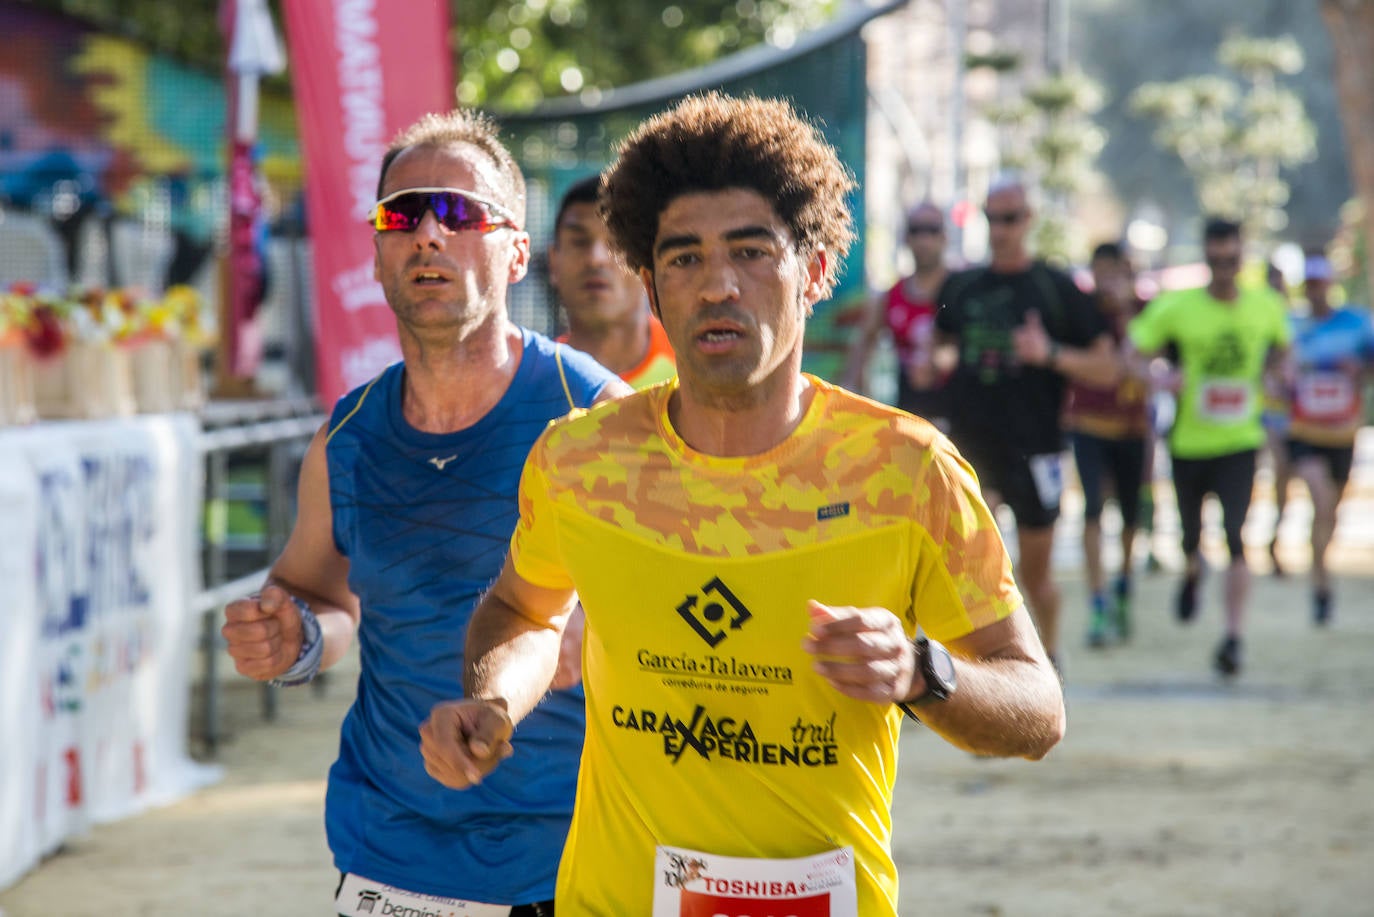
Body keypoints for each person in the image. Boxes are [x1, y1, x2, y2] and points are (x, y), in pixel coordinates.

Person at [418, 92, 1065, 916]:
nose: (718, 284)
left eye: (752, 251)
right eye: (683, 259)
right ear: (651, 286)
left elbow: (1037, 708)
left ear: (817, 271)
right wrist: (494, 701)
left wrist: (919, 669)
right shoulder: (581, 461)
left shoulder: (905, 472)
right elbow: (519, 608)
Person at [219, 109, 628, 916]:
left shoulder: (596, 415)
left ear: (516, 252)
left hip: (570, 854)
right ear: (376, 254)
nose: (428, 235)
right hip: (393, 849)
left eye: (460, 212)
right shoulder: (346, 438)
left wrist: (610, 627)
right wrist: (293, 637)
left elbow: (680, 611)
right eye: (403, 215)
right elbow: (324, 599)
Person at [934, 178, 1119, 668]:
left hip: (1037, 448)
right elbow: (942, 344)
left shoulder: (1055, 288)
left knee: (1035, 577)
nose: (1001, 230)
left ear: (1029, 220)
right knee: (979, 570)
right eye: (992, 219)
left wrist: (1050, 353)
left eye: (1010, 218)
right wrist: (938, 362)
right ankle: (984, 677)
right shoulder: (962, 286)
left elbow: (1108, 367)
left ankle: (1049, 657)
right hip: (974, 450)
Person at [1126, 218, 1290, 677]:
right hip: (1189, 444)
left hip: (1240, 441)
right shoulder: (1178, 308)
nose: (1223, 268)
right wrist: (1160, 379)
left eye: (1231, 260)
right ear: (1206, 258)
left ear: (1242, 258)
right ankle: (1193, 573)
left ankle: (1233, 637)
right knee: (1190, 539)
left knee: (1237, 536)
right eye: (1215, 260)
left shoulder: (1265, 306)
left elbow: (1284, 351)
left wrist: (1278, 375)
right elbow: (1131, 354)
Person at [1065, 242, 1151, 646]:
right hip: (1089, 424)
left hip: (1133, 427)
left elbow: (1159, 355)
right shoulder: (1081, 311)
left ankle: (1124, 585)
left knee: (1131, 516)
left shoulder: (1146, 310)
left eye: (1115, 270)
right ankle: (1097, 600)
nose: (1107, 279)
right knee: (1093, 510)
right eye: (1100, 270)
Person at [1284, 253, 1374, 624]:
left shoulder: (1357, 324)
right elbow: (1272, 367)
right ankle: (1320, 584)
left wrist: (1360, 371)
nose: (1315, 291)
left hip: (1342, 431)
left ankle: (1320, 567)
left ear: (1330, 285)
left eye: (1320, 284)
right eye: (1309, 285)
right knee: (1320, 499)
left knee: (1331, 510)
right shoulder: (1289, 325)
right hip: (1303, 430)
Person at [549, 175, 676, 390]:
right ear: (553, 261)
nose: (596, 259)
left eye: (616, 243)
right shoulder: (531, 381)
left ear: (647, 260)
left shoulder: (692, 364)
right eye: (580, 242)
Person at [841, 200, 951, 426]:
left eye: (932, 230)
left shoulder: (960, 290)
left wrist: (940, 360)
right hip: (908, 420)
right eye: (916, 230)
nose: (924, 239)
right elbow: (863, 345)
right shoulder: (891, 296)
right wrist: (856, 397)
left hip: (958, 419)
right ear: (906, 238)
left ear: (944, 236)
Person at [1262, 259, 1296, 576]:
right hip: (1250, 413)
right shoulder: (1252, 318)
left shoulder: (1291, 322)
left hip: (1280, 413)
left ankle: (1275, 538)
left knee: (1282, 477)